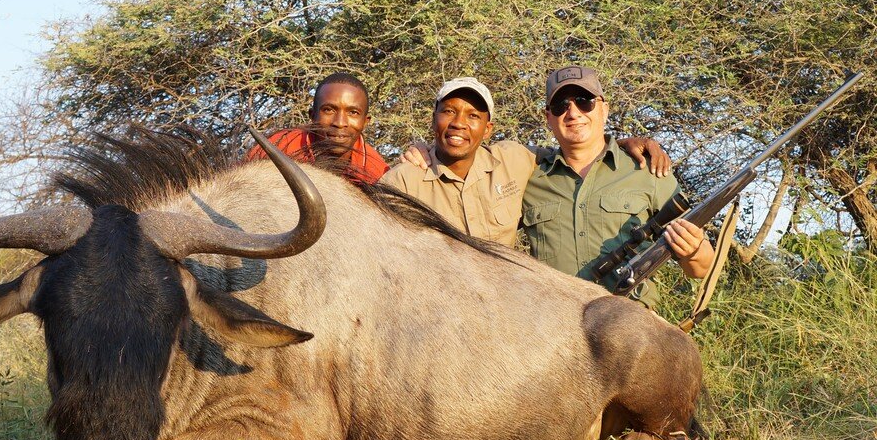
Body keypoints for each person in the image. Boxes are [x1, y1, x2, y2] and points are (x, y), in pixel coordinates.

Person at [381, 77, 671, 248]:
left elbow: (579, 151)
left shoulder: (515, 159)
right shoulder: (402, 181)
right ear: (434, 119)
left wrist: (620, 146)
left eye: (473, 116)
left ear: (488, 128)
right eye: (448, 112)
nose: (459, 124)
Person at [524, 66, 714, 309]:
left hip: (631, 328)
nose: (573, 113)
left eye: (585, 101)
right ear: (548, 118)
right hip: (556, 327)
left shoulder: (648, 170)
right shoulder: (529, 176)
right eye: (561, 105)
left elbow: (701, 268)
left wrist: (692, 249)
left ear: (604, 109)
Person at [247, 72, 389, 184]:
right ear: (312, 116)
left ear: (365, 122)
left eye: (353, 112)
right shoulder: (277, 147)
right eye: (329, 110)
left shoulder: (377, 172)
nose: (340, 123)